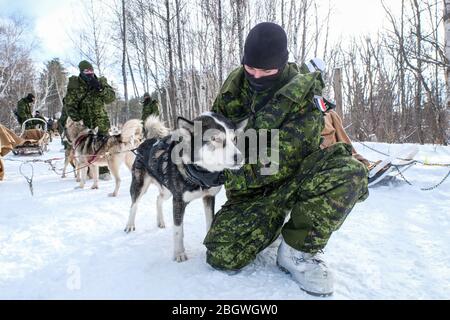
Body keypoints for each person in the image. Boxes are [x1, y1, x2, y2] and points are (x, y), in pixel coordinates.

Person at [203, 22, 368, 297]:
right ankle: (272, 223)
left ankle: (297, 250)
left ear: (282, 63)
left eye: (265, 71)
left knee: (349, 172)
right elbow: (215, 131)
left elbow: (278, 159)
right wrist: (204, 163)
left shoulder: (302, 93)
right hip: (250, 192)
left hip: (294, 177)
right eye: (250, 68)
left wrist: (225, 171)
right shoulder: (234, 86)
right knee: (222, 255)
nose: (256, 75)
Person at [64, 60, 116, 180]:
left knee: (103, 145)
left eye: (91, 70)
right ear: (81, 72)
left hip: (100, 120)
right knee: (84, 148)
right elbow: (69, 105)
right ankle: (85, 172)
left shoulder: (101, 81)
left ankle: (103, 171)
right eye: (86, 71)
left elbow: (111, 98)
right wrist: (77, 119)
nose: (90, 73)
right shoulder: (75, 85)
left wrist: (100, 88)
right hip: (84, 123)